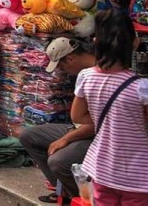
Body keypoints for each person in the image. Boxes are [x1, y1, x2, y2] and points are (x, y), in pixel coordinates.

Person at [71, 9, 148, 205]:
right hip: (138, 176)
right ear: (134, 42)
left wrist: (113, 120)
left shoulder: (86, 77)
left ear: (95, 41)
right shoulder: (142, 88)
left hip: (102, 169)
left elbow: (77, 116)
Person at [19, 38, 96, 203]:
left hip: (96, 136)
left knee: (58, 161)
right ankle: (64, 191)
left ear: (70, 58)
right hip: (80, 128)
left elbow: (98, 123)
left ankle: (83, 198)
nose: (63, 70)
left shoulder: (95, 76)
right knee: (28, 136)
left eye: (62, 66)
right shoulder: (84, 75)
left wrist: (66, 139)